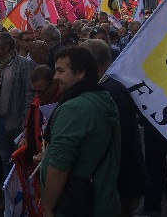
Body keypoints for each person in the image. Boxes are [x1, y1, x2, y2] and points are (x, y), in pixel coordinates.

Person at [40, 47, 121, 217]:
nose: (55, 77)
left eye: (60, 71)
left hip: (76, 205)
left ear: (80, 73)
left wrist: (47, 208)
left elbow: (59, 168)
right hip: (101, 200)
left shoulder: (74, 109)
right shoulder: (101, 97)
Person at [81, 39, 148, 216]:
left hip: (122, 180)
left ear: (91, 63)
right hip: (121, 178)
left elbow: (120, 139)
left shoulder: (111, 91)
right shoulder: (109, 84)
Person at [0, 32, 36, 181]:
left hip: (17, 122)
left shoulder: (23, 65)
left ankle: (21, 198)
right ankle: (7, 198)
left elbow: (29, 95)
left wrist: (25, 123)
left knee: (19, 159)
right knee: (5, 158)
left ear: (6, 48)